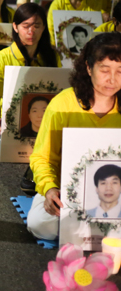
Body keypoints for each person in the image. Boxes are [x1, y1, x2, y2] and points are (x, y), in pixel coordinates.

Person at [28, 32, 121, 240]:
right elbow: (41, 157)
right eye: (105, 70)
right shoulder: (62, 105)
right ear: (88, 68)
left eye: (120, 71)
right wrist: (50, 189)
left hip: (116, 195)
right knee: (40, 224)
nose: (112, 79)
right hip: (68, 192)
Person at [0, 3, 60, 154]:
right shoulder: (2, 58)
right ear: (15, 27)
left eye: (37, 25)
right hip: (10, 120)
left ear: (44, 28)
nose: (32, 31)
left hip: (44, 119)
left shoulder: (52, 56)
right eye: (26, 26)